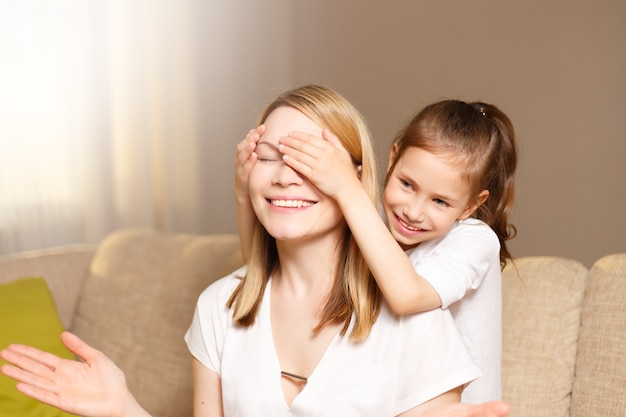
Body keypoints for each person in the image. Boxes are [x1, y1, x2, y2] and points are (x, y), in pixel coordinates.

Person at [1, 85, 511, 417]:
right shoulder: (220, 307)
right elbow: (262, 268)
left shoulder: (417, 309)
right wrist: (122, 408)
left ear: (354, 178)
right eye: (269, 156)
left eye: (310, 159)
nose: (286, 172)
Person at [236, 98, 518, 403]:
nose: (412, 211)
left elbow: (407, 296)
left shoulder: (475, 241)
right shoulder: (374, 221)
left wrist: (345, 186)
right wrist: (243, 191)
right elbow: (263, 269)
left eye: (440, 201)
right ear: (393, 157)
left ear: (472, 204)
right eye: (407, 184)